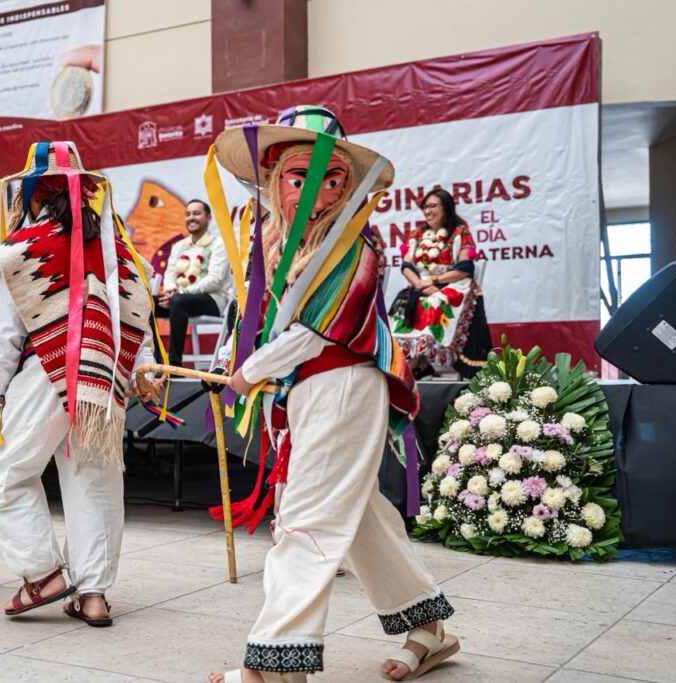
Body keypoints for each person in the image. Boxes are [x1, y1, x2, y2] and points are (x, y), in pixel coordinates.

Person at [205, 105, 458, 683]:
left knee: (307, 520)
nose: (314, 191)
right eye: (299, 176)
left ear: (347, 185)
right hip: (308, 391)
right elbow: (261, 323)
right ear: (273, 179)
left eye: (330, 178)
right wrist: (241, 362)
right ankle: (430, 629)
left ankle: (274, 665)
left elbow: (318, 330)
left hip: (344, 384)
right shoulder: (274, 245)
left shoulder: (354, 244)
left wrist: (251, 372)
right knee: (358, 517)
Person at [0, 141, 161, 622]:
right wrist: (141, 366)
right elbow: (135, 313)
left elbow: (4, 334)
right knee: (93, 482)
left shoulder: (20, 250)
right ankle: (94, 594)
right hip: (104, 377)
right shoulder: (113, 248)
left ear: (32, 195)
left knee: (6, 476)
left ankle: (42, 574)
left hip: (46, 370)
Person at [390, 189, 491, 379]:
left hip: (452, 284)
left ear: (446, 208)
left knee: (436, 301)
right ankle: (416, 362)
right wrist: (420, 283)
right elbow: (406, 266)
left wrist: (434, 281)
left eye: (432, 206)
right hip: (421, 285)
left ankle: (417, 364)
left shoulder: (459, 231)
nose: (427, 211)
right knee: (404, 303)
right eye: (425, 207)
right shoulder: (417, 234)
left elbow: (464, 267)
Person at [154, 199, 232, 367]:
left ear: (208, 217)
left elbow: (215, 280)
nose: (191, 218)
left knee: (177, 301)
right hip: (179, 300)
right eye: (188, 214)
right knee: (148, 303)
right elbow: (170, 274)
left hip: (213, 300)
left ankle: (174, 363)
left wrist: (180, 293)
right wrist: (170, 290)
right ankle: (155, 358)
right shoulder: (179, 246)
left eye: (197, 213)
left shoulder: (218, 244)